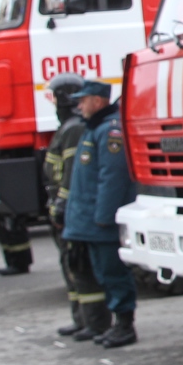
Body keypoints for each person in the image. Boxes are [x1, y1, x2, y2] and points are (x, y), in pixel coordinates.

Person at [60, 81, 139, 348]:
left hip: (100, 222)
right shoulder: (93, 129)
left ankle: (125, 325)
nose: (79, 106)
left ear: (98, 101)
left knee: (114, 273)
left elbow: (112, 178)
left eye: (83, 100)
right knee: (103, 274)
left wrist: (104, 218)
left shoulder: (109, 131)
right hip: (90, 222)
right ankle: (112, 324)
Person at [40, 72, 107, 340]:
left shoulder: (73, 129)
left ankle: (95, 323)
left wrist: (61, 207)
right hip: (64, 208)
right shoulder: (69, 128)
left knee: (80, 267)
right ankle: (81, 319)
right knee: (71, 268)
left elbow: (69, 176)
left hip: (71, 211)